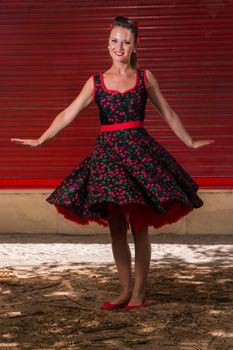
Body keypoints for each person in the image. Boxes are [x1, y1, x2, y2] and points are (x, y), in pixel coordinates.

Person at [11, 15, 215, 311]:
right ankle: (125, 290)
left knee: (140, 225)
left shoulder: (145, 77)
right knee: (116, 227)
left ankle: (139, 294)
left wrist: (190, 142)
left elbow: (168, 113)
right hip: (108, 159)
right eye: (114, 41)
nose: (119, 46)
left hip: (139, 156)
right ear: (107, 44)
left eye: (126, 42)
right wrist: (42, 139)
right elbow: (68, 113)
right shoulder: (95, 82)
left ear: (135, 45)